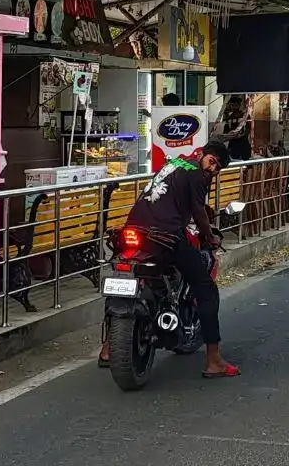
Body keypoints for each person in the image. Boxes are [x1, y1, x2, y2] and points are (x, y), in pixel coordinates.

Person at [98, 140, 239, 379]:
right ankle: (214, 360)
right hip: (165, 235)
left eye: (217, 168)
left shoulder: (175, 163)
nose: (212, 169)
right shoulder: (196, 176)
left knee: (126, 278)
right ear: (204, 155)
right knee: (206, 289)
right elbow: (197, 212)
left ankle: (109, 348)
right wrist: (210, 237)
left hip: (134, 228)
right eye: (212, 162)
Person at [220, 95, 252, 161]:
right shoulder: (229, 116)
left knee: (246, 161)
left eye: (235, 105)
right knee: (234, 160)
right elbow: (226, 129)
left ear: (239, 106)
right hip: (233, 142)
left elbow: (248, 128)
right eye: (232, 105)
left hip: (243, 141)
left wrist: (244, 136)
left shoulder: (244, 115)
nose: (233, 107)